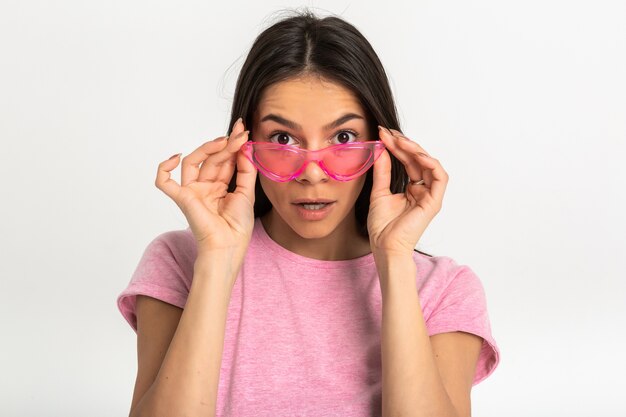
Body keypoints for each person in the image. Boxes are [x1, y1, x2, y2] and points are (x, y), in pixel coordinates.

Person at [117, 9, 500, 417]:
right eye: (282, 138)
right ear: (243, 142)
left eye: (343, 136)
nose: (312, 173)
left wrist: (394, 260)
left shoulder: (444, 289)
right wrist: (217, 259)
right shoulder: (181, 261)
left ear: (382, 144)